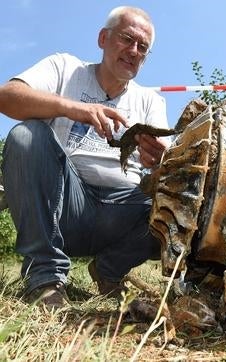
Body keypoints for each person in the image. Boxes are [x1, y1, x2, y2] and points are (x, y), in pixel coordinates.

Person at [0, 6, 168, 309]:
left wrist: (158, 160)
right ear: (103, 38)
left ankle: (109, 270)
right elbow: (8, 97)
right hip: (64, 203)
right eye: (127, 39)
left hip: (122, 211)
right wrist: (74, 108)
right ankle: (45, 279)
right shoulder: (65, 67)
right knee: (26, 136)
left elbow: (164, 162)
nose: (133, 51)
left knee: (177, 202)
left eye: (142, 47)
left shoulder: (151, 100)